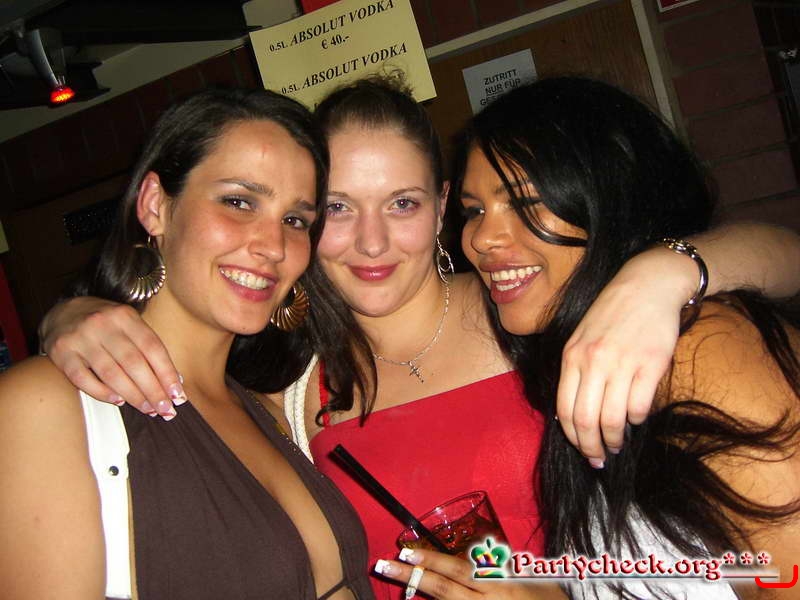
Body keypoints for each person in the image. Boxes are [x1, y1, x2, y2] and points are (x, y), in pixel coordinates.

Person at [39, 77, 800, 599]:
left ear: (440, 206)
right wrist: (66, 319)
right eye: (337, 209)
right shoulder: (285, 391)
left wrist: (666, 272)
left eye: (401, 203)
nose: (372, 243)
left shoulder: (528, 313)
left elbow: (781, 258)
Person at [375, 77, 800, 600]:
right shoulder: (574, 366)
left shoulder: (702, 347)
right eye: (475, 210)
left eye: (524, 201)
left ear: (608, 199)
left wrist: (665, 272)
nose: (481, 238)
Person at [0, 88, 374, 600]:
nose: (273, 246)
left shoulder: (268, 411)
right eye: (239, 202)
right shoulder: (43, 404)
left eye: (295, 221)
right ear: (155, 205)